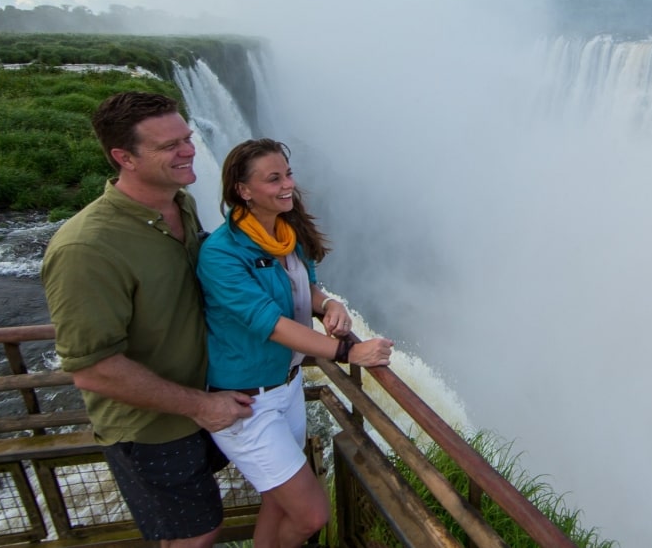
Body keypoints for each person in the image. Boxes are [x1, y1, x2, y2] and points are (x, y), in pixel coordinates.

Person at [41, 92, 255, 548]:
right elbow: (92, 368)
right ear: (124, 157)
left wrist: (310, 294)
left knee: (196, 525)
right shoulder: (86, 249)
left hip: (204, 400)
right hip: (153, 427)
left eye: (187, 137)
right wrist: (199, 405)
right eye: (169, 146)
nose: (189, 150)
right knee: (194, 536)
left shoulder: (181, 204)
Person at [197, 138, 393, 548]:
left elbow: (306, 289)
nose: (288, 184)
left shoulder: (286, 235)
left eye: (287, 173)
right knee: (311, 514)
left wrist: (329, 303)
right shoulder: (222, 253)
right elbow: (272, 324)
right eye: (274, 178)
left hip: (286, 388)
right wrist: (349, 352)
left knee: (278, 502)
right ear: (242, 190)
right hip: (246, 401)